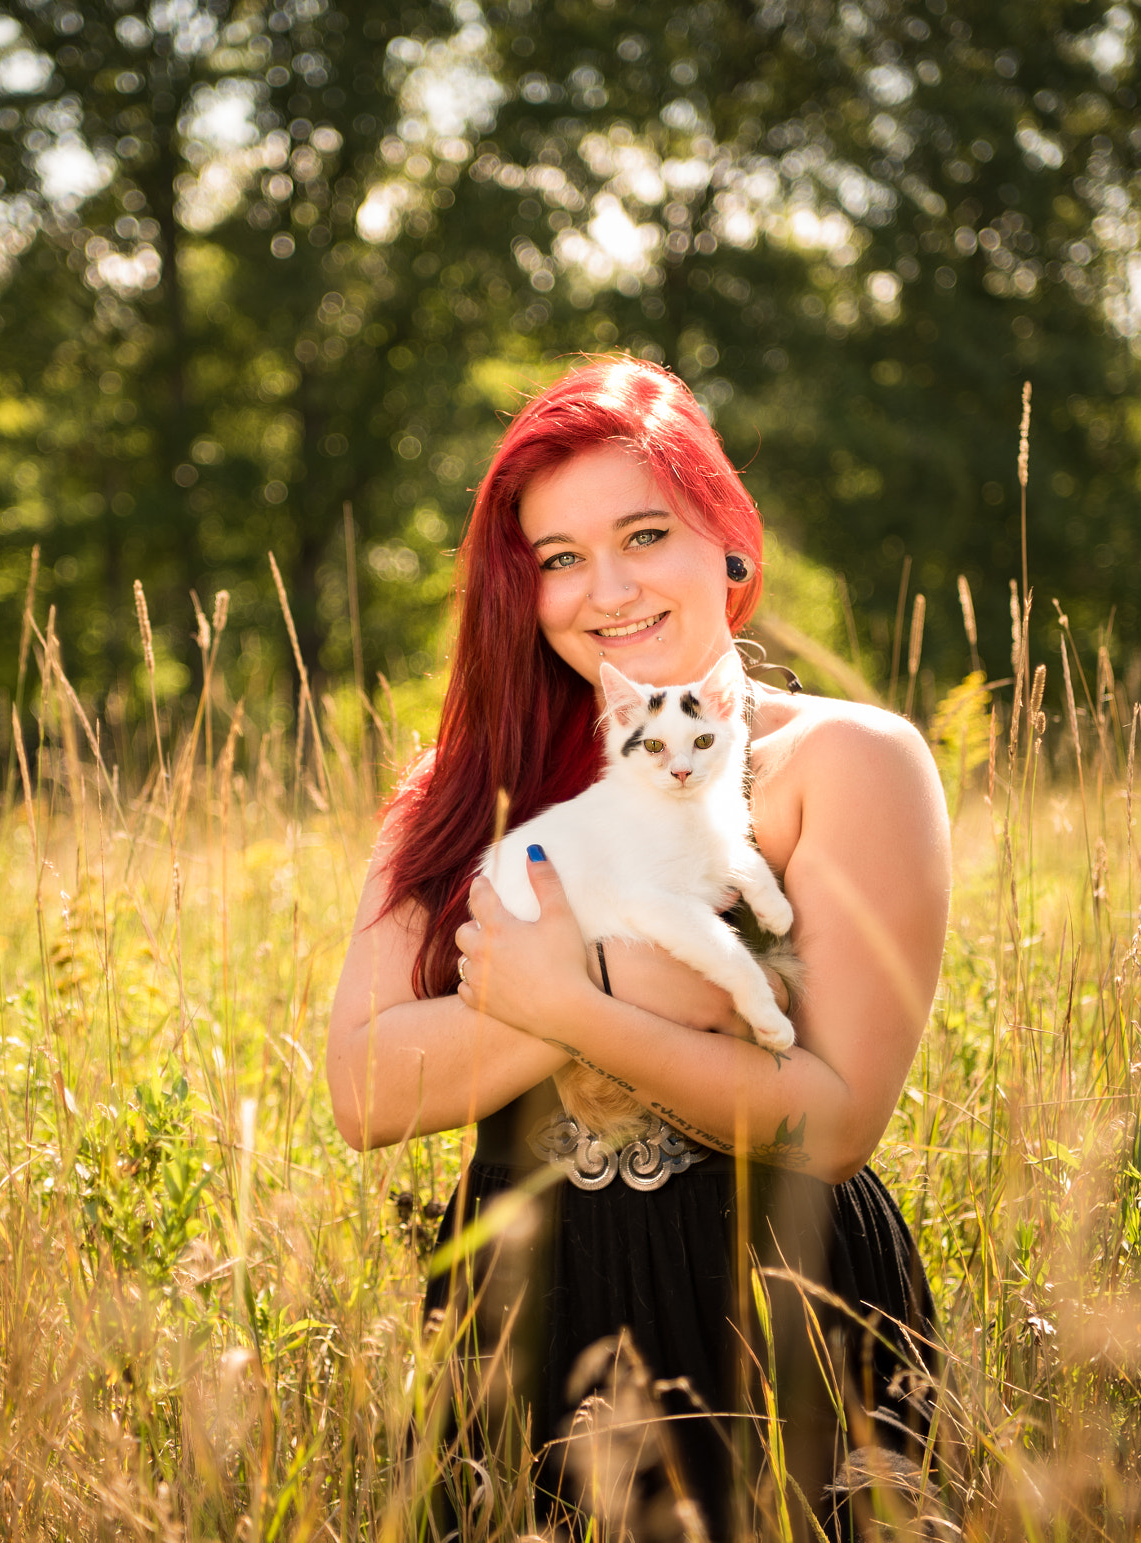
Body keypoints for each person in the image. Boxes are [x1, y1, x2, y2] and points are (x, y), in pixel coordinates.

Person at [327, 358, 951, 1541]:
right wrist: (642, 983)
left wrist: (576, 994)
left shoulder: (845, 761)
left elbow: (831, 1120)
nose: (603, 589)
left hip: (774, 1300)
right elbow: (364, 1090)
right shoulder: (462, 795)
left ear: (728, 539)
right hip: (522, 1318)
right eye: (557, 558)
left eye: (643, 534)